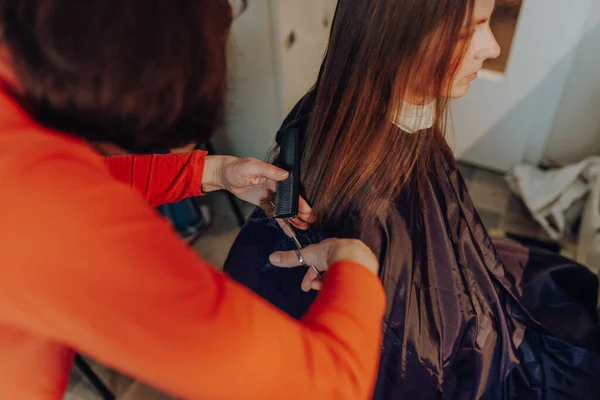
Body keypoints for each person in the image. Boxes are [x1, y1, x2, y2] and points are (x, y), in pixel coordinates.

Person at [0, 1, 386, 399]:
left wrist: (212, 172)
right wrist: (356, 267)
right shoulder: (51, 214)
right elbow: (327, 387)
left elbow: (80, 175)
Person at [224, 0, 600, 398]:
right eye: (466, 32)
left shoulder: (356, 111)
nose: (492, 48)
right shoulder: (369, 200)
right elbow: (408, 350)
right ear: (395, 40)